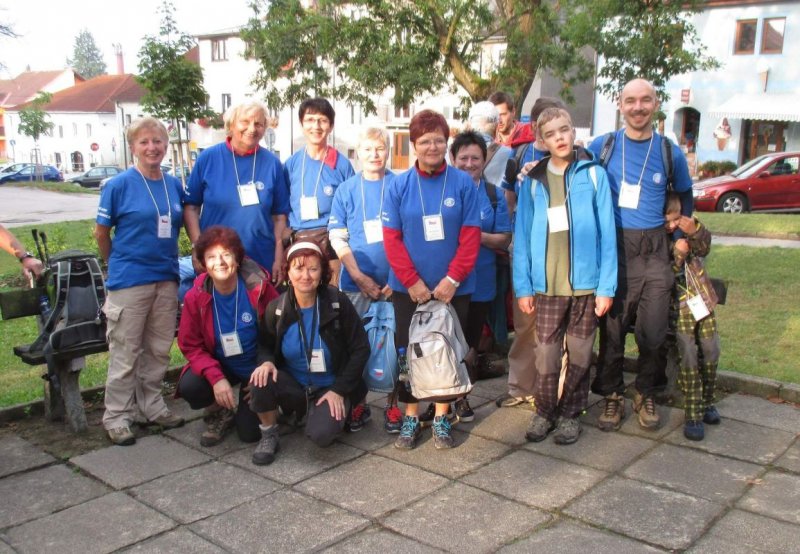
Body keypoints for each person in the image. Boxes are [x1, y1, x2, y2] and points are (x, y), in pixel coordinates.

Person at [589, 78, 694, 432]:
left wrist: (679, 234)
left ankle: (646, 391)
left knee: (654, 330)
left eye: (645, 100)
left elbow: (686, 195)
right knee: (613, 330)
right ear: (620, 104)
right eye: (630, 100)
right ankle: (613, 395)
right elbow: (569, 174)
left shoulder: (669, 151)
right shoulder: (601, 146)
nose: (638, 107)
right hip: (615, 248)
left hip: (655, 251)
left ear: (655, 103)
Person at [513, 107, 617, 445]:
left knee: (582, 352)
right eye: (552, 133)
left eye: (565, 130)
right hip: (547, 287)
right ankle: (544, 411)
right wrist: (523, 286)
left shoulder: (594, 175)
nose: (560, 137)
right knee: (546, 353)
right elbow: (524, 236)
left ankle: (571, 413)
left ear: (574, 133)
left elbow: (608, 235)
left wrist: (606, 286)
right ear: (541, 141)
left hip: (586, 287)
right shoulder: (533, 182)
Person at [382, 109, 481, 450]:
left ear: (447, 142)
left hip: (454, 289)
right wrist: (411, 282)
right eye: (425, 141)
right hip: (409, 289)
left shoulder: (463, 184)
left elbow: (471, 237)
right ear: (413, 144)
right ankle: (411, 415)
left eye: (439, 139)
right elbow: (391, 239)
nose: (433, 147)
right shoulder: (398, 185)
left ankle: (441, 415)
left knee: (446, 354)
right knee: (409, 355)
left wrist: (452, 279)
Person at [94, 117, 186, 446]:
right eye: (144, 142)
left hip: (166, 278)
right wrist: (115, 263)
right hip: (129, 281)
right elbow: (101, 234)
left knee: (159, 349)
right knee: (126, 350)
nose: (152, 147)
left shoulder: (173, 185)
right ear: (133, 147)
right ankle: (118, 415)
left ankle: (152, 406)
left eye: (158, 141)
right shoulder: (118, 185)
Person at [247, 240, 370, 464]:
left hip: (330, 387)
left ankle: (347, 406)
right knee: (260, 379)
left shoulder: (337, 303)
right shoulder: (278, 308)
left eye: (313, 268)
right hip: (296, 386)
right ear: (288, 272)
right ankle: (269, 434)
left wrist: (339, 390)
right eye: (299, 268)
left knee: (322, 436)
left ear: (322, 272)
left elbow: (361, 348)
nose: (306, 275)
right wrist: (266, 362)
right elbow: (264, 344)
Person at [176, 226, 279, 449]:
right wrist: (215, 378)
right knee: (191, 385)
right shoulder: (196, 296)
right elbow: (190, 345)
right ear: (203, 263)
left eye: (226, 255)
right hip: (222, 365)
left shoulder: (259, 288)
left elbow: (280, 332)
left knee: (250, 434)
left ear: (238, 258)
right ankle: (220, 410)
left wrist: (262, 375)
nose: (220, 262)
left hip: (256, 366)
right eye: (211, 257)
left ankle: (267, 400)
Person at [496, 97, 568, 409]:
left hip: (561, 252)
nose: (546, 131)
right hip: (526, 249)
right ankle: (520, 386)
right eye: (540, 123)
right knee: (525, 324)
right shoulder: (518, 156)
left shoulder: (575, 157)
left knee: (558, 326)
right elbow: (509, 199)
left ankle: (555, 389)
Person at [328, 122, 399, 433]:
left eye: (380, 148)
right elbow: (337, 237)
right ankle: (358, 403)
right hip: (355, 284)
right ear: (358, 153)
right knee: (356, 346)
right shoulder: (346, 189)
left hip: (395, 284)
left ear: (388, 152)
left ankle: (394, 406)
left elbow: (409, 238)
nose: (374, 154)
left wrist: (396, 279)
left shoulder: (400, 184)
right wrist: (357, 276)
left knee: (397, 346)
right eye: (368, 149)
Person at [185, 100, 289, 283]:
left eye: (259, 124)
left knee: (259, 311)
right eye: (245, 122)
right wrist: (197, 247)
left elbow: (280, 217)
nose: (252, 128)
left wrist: (278, 256)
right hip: (216, 261)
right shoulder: (207, 159)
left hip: (260, 260)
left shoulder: (272, 164)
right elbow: (191, 207)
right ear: (231, 124)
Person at [450, 130, 512, 422]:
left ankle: (462, 397)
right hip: (447, 282)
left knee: (470, 344)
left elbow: (503, 239)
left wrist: (475, 236)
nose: (469, 163)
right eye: (463, 157)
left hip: (481, 282)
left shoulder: (493, 194)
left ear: (485, 161)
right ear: (453, 159)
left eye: (476, 157)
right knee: (444, 340)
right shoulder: (443, 191)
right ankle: (440, 396)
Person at [664, 193, 720, 441]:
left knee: (710, 350)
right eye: (668, 221)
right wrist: (677, 255)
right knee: (687, 355)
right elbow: (665, 276)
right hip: (680, 309)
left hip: (703, 304)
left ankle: (707, 401)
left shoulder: (689, 231)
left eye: (677, 219)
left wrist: (696, 230)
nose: (673, 226)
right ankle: (693, 412)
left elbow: (705, 246)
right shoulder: (658, 240)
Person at [284, 98, 355, 284]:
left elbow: (352, 208)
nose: (316, 126)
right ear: (301, 124)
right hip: (299, 239)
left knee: (331, 300)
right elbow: (281, 206)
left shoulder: (342, 165)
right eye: (310, 119)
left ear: (330, 126)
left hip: (331, 241)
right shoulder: (292, 164)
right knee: (302, 296)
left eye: (322, 120)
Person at [466, 101, 512, 189]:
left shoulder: (452, 153)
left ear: (469, 125)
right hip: (493, 201)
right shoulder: (508, 154)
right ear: (496, 126)